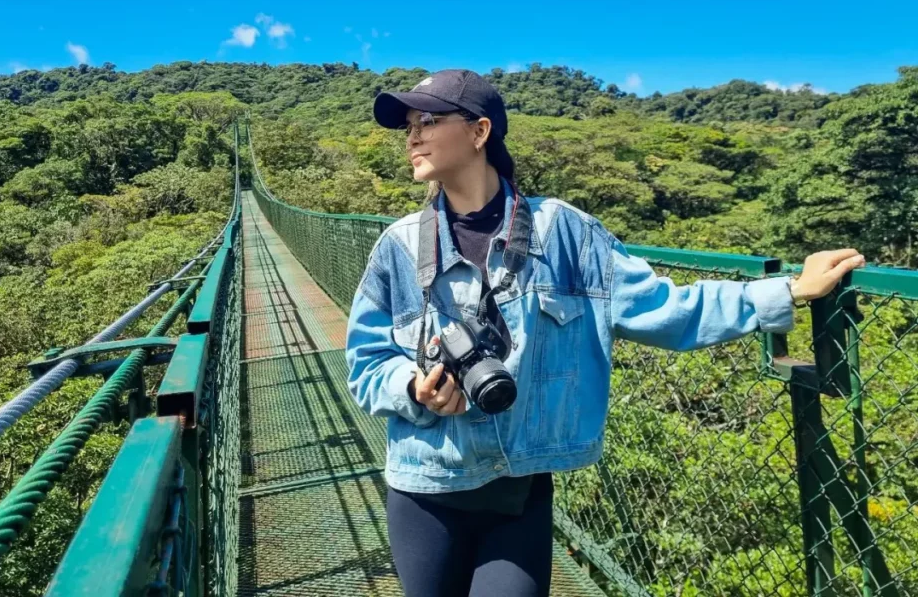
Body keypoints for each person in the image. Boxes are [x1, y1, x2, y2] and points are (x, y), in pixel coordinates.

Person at [344, 69, 865, 597]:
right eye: (409, 126)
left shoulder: (565, 233)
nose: (412, 137)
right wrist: (413, 388)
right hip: (425, 486)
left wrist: (790, 290)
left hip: (520, 489)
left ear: (480, 132)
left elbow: (668, 308)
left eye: (429, 121)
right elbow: (366, 362)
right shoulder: (399, 247)